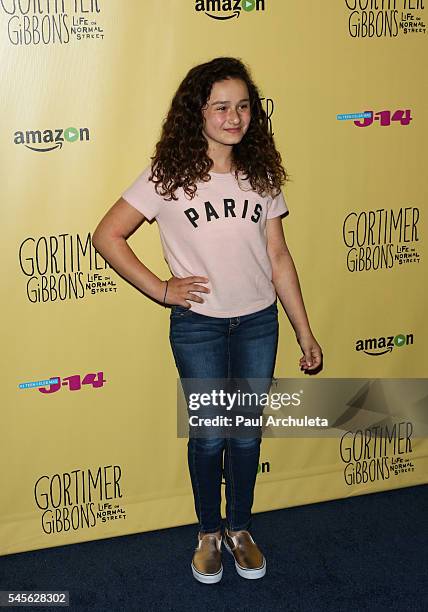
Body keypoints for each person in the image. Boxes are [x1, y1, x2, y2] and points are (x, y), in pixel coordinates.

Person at [92, 56, 323, 584]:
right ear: (196, 112)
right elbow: (107, 235)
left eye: (243, 106)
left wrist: (304, 331)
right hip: (199, 325)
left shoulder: (260, 174)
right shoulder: (167, 175)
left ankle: (239, 530)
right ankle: (207, 533)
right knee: (210, 436)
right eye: (221, 106)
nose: (234, 117)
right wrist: (161, 289)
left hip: (259, 323)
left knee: (245, 436)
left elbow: (279, 257)